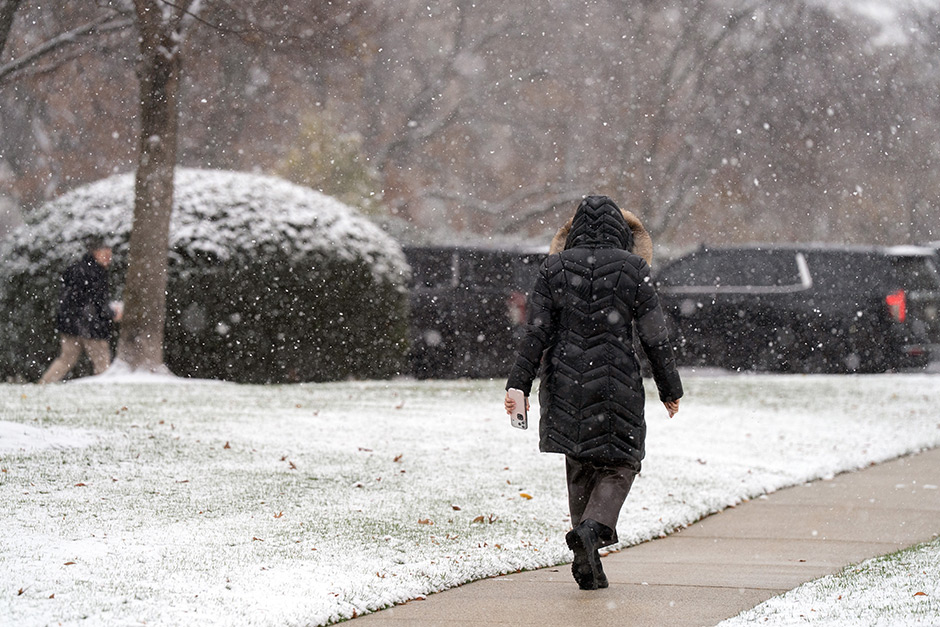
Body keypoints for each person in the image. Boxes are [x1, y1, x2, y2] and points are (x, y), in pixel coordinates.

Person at [504, 195, 683, 590]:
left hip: (564, 382)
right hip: (616, 381)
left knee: (579, 462)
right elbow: (654, 335)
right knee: (622, 461)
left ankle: (587, 559)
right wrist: (669, 387)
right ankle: (593, 529)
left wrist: (518, 384)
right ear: (621, 232)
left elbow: (535, 333)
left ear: (574, 232)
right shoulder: (633, 268)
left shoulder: (553, 268)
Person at [39, 236, 122, 383]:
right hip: (91, 326)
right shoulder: (96, 273)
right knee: (102, 362)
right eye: (106, 255)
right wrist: (112, 313)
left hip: (70, 324)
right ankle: (104, 388)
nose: (108, 259)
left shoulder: (76, 268)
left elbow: (69, 298)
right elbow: (97, 301)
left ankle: (44, 383)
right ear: (96, 253)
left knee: (66, 359)